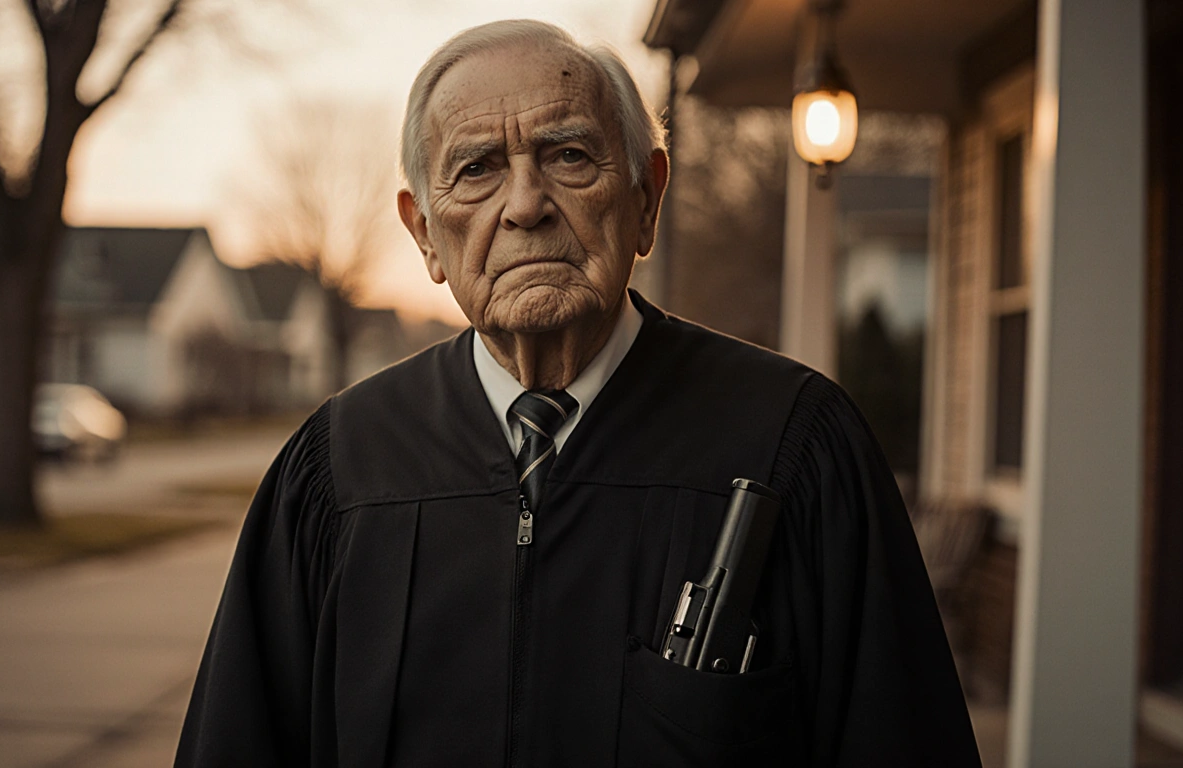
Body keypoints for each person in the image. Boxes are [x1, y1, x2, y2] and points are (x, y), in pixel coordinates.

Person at [175, 19, 981, 768]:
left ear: (646, 197)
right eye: (476, 168)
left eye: (568, 156)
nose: (525, 206)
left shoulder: (796, 448)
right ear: (425, 232)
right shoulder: (337, 473)